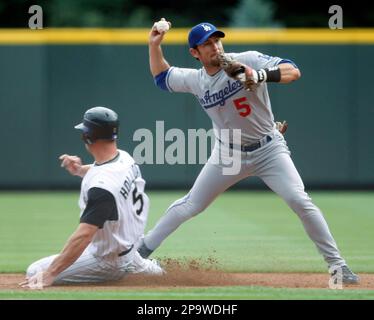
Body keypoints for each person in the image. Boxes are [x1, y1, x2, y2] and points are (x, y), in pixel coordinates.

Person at [137, 20, 359, 284]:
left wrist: (260, 75)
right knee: (189, 205)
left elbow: (293, 71)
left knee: (300, 201)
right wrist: (154, 45)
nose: (215, 46)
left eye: (217, 40)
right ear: (195, 53)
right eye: (206, 44)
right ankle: (139, 252)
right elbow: (162, 78)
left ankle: (338, 266)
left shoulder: (246, 60)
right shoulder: (196, 80)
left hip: (269, 150)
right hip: (228, 154)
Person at [21, 106, 164, 289]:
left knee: (35, 271)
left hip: (108, 260)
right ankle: (148, 269)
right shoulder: (125, 158)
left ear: (88, 136)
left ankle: (120, 274)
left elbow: (84, 235)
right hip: (129, 248)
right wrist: (81, 170)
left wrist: (51, 273)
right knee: (150, 270)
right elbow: (108, 175)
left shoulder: (102, 189)